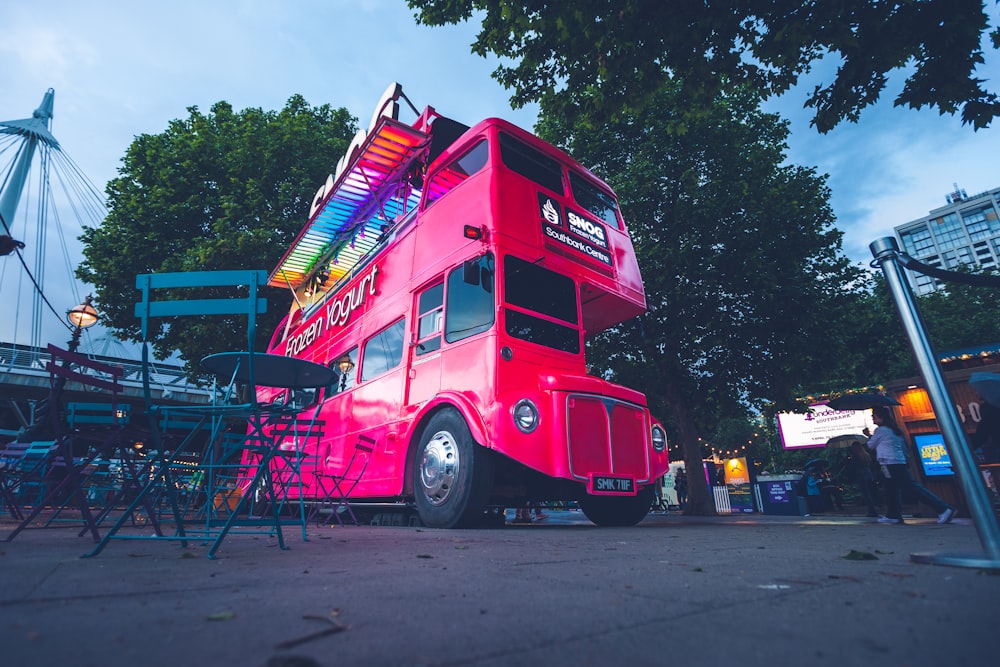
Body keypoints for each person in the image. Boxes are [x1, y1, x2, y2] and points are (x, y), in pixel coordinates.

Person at [867, 406, 956, 524]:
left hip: (890, 463)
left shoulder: (881, 430)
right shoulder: (895, 430)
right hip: (898, 461)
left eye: (874, 416)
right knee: (891, 489)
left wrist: (868, 435)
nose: (872, 418)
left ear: (880, 417)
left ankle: (943, 508)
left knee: (911, 487)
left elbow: (871, 445)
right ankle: (893, 515)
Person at [842, 440, 879, 517]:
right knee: (871, 492)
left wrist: (849, 460)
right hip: (869, 474)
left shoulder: (856, 456)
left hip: (861, 475)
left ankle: (871, 510)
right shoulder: (866, 455)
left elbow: (852, 466)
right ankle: (875, 508)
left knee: (866, 493)